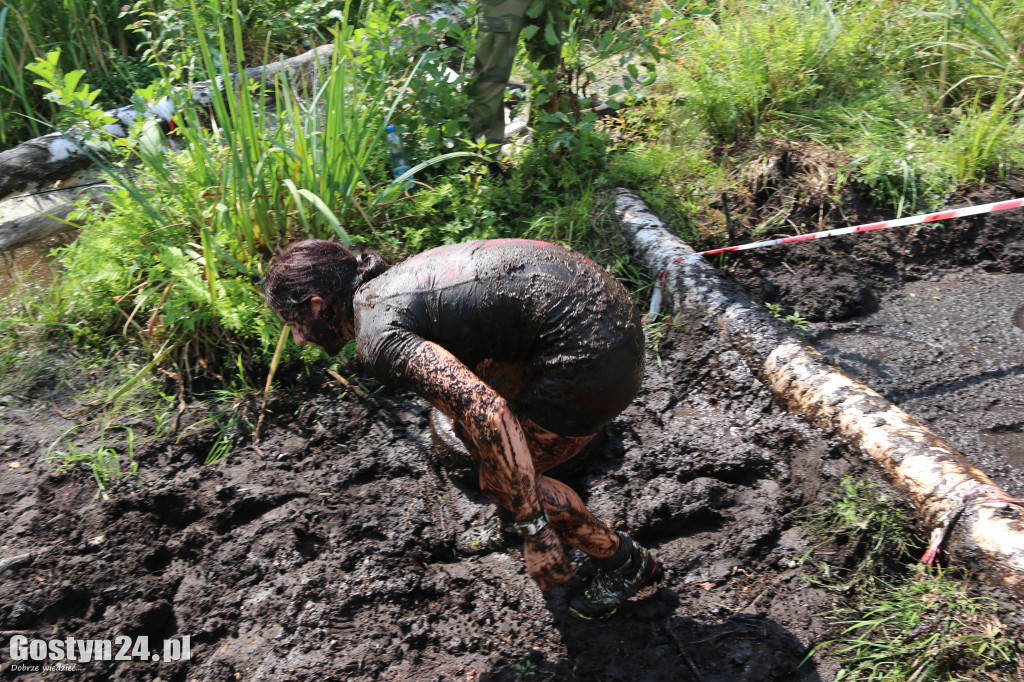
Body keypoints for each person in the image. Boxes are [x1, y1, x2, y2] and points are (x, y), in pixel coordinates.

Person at [262, 238, 661, 619]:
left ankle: (624, 561)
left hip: (596, 355)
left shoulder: (378, 337)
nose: (297, 339)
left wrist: (537, 531)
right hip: (598, 311)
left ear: (317, 306)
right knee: (470, 432)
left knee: (497, 480)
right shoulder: (385, 286)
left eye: (294, 324)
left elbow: (491, 412)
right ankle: (512, 519)